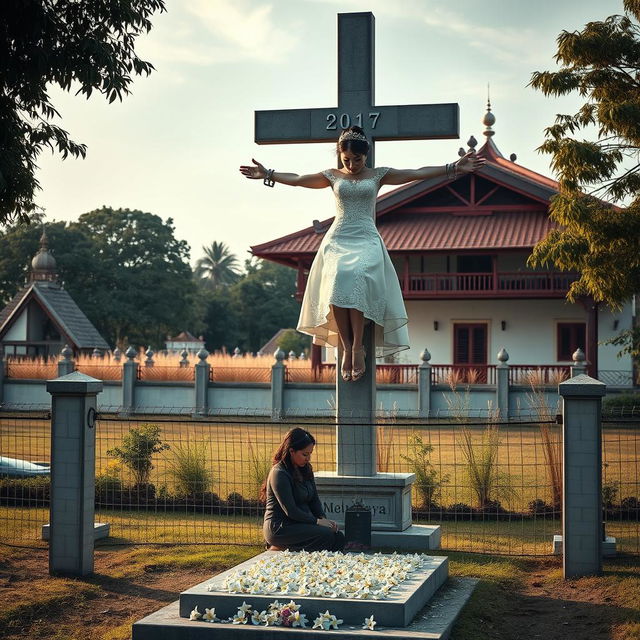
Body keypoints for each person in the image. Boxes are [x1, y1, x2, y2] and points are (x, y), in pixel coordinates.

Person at [240, 126, 485, 381]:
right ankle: (346, 346)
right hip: (338, 238)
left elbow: (416, 172)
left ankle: (358, 346)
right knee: (336, 280)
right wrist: (267, 173)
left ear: (366, 156)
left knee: (356, 275)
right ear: (340, 155)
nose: (353, 164)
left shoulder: (378, 175)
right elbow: (300, 178)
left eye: (357, 159)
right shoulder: (332, 176)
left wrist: (454, 167)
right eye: (347, 159)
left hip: (366, 238)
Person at [261, 427, 345, 552]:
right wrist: (316, 522)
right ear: (291, 451)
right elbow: (291, 510)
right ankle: (280, 547)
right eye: (305, 454)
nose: (308, 458)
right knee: (325, 536)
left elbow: (314, 500)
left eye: (310, 454)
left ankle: (324, 566)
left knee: (338, 537)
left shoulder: (306, 469)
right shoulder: (279, 473)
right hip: (281, 527)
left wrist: (323, 519)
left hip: (301, 524)